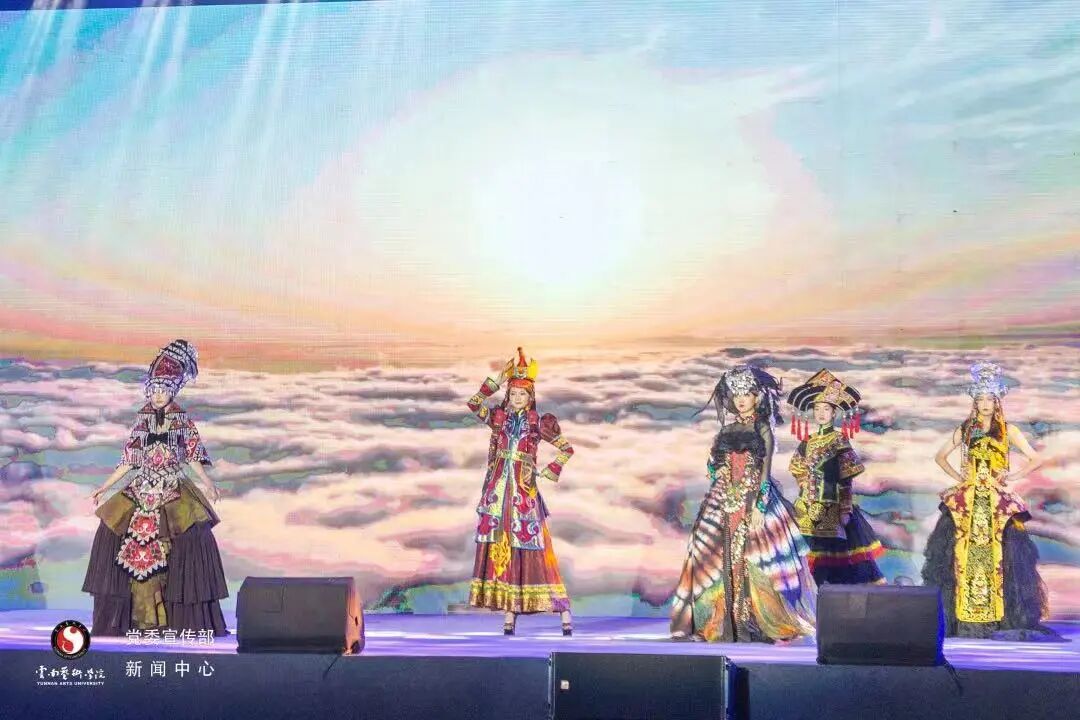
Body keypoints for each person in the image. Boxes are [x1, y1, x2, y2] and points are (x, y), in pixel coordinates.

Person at [82, 340, 228, 636]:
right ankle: (133, 620)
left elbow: (191, 456)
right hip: (141, 488)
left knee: (188, 539)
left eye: (164, 389)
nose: (158, 395)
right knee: (112, 532)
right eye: (154, 389)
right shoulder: (142, 419)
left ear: (173, 391)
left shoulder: (182, 420)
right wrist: (105, 487)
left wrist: (208, 484)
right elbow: (130, 460)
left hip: (173, 487)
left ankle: (179, 619)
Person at [671, 365, 816, 643]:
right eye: (736, 394)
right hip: (722, 498)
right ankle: (718, 622)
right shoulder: (727, 429)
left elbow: (765, 471)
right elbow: (713, 464)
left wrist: (760, 507)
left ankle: (754, 622)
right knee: (711, 556)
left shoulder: (762, 428)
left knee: (756, 558)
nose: (741, 399)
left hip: (753, 498)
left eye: (746, 394)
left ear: (757, 397)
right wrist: (716, 471)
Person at [922, 362, 1059, 641]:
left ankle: (1001, 617)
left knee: (1005, 557)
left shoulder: (1008, 430)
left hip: (996, 500)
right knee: (959, 555)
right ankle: (964, 617)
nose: (985, 404)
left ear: (997, 401)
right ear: (975, 402)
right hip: (968, 499)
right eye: (981, 399)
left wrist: (1012, 476)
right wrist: (960, 477)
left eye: (989, 399)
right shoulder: (966, 429)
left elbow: (1036, 458)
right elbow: (940, 456)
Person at [465, 348, 574, 636]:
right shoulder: (499, 418)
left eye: (522, 394)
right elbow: (474, 403)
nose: (516, 398)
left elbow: (566, 449)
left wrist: (550, 470)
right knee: (504, 551)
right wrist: (498, 380)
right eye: (512, 393)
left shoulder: (538, 422)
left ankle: (562, 609)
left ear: (530, 396)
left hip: (524, 493)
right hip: (498, 493)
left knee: (536, 550)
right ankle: (509, 611)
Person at [787, 369, 885, 585]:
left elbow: (846, 478)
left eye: (826, 409)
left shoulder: (839, 440)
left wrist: (845, 509)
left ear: (834, 413)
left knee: (840, 564)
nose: (821, 413)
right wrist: (806, 486)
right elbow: (797, 468)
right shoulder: (807, 441)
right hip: (806, 508)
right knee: (806, 564)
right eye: (817, 409)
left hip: (834, 506)